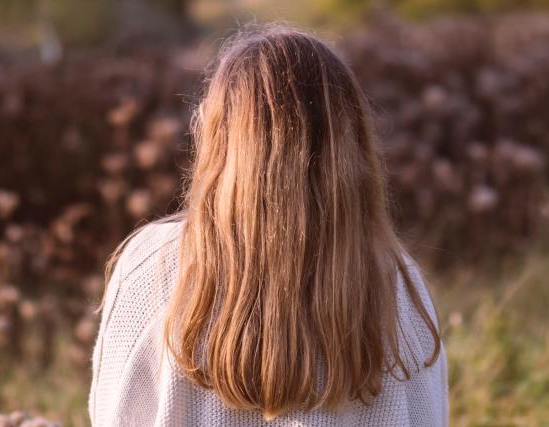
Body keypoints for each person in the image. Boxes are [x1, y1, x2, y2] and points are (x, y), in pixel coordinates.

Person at [90, 25, 447, 426]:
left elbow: (114, 416)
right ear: (353, 142)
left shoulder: (149, 267)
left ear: (217, 135)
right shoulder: (397, 286)